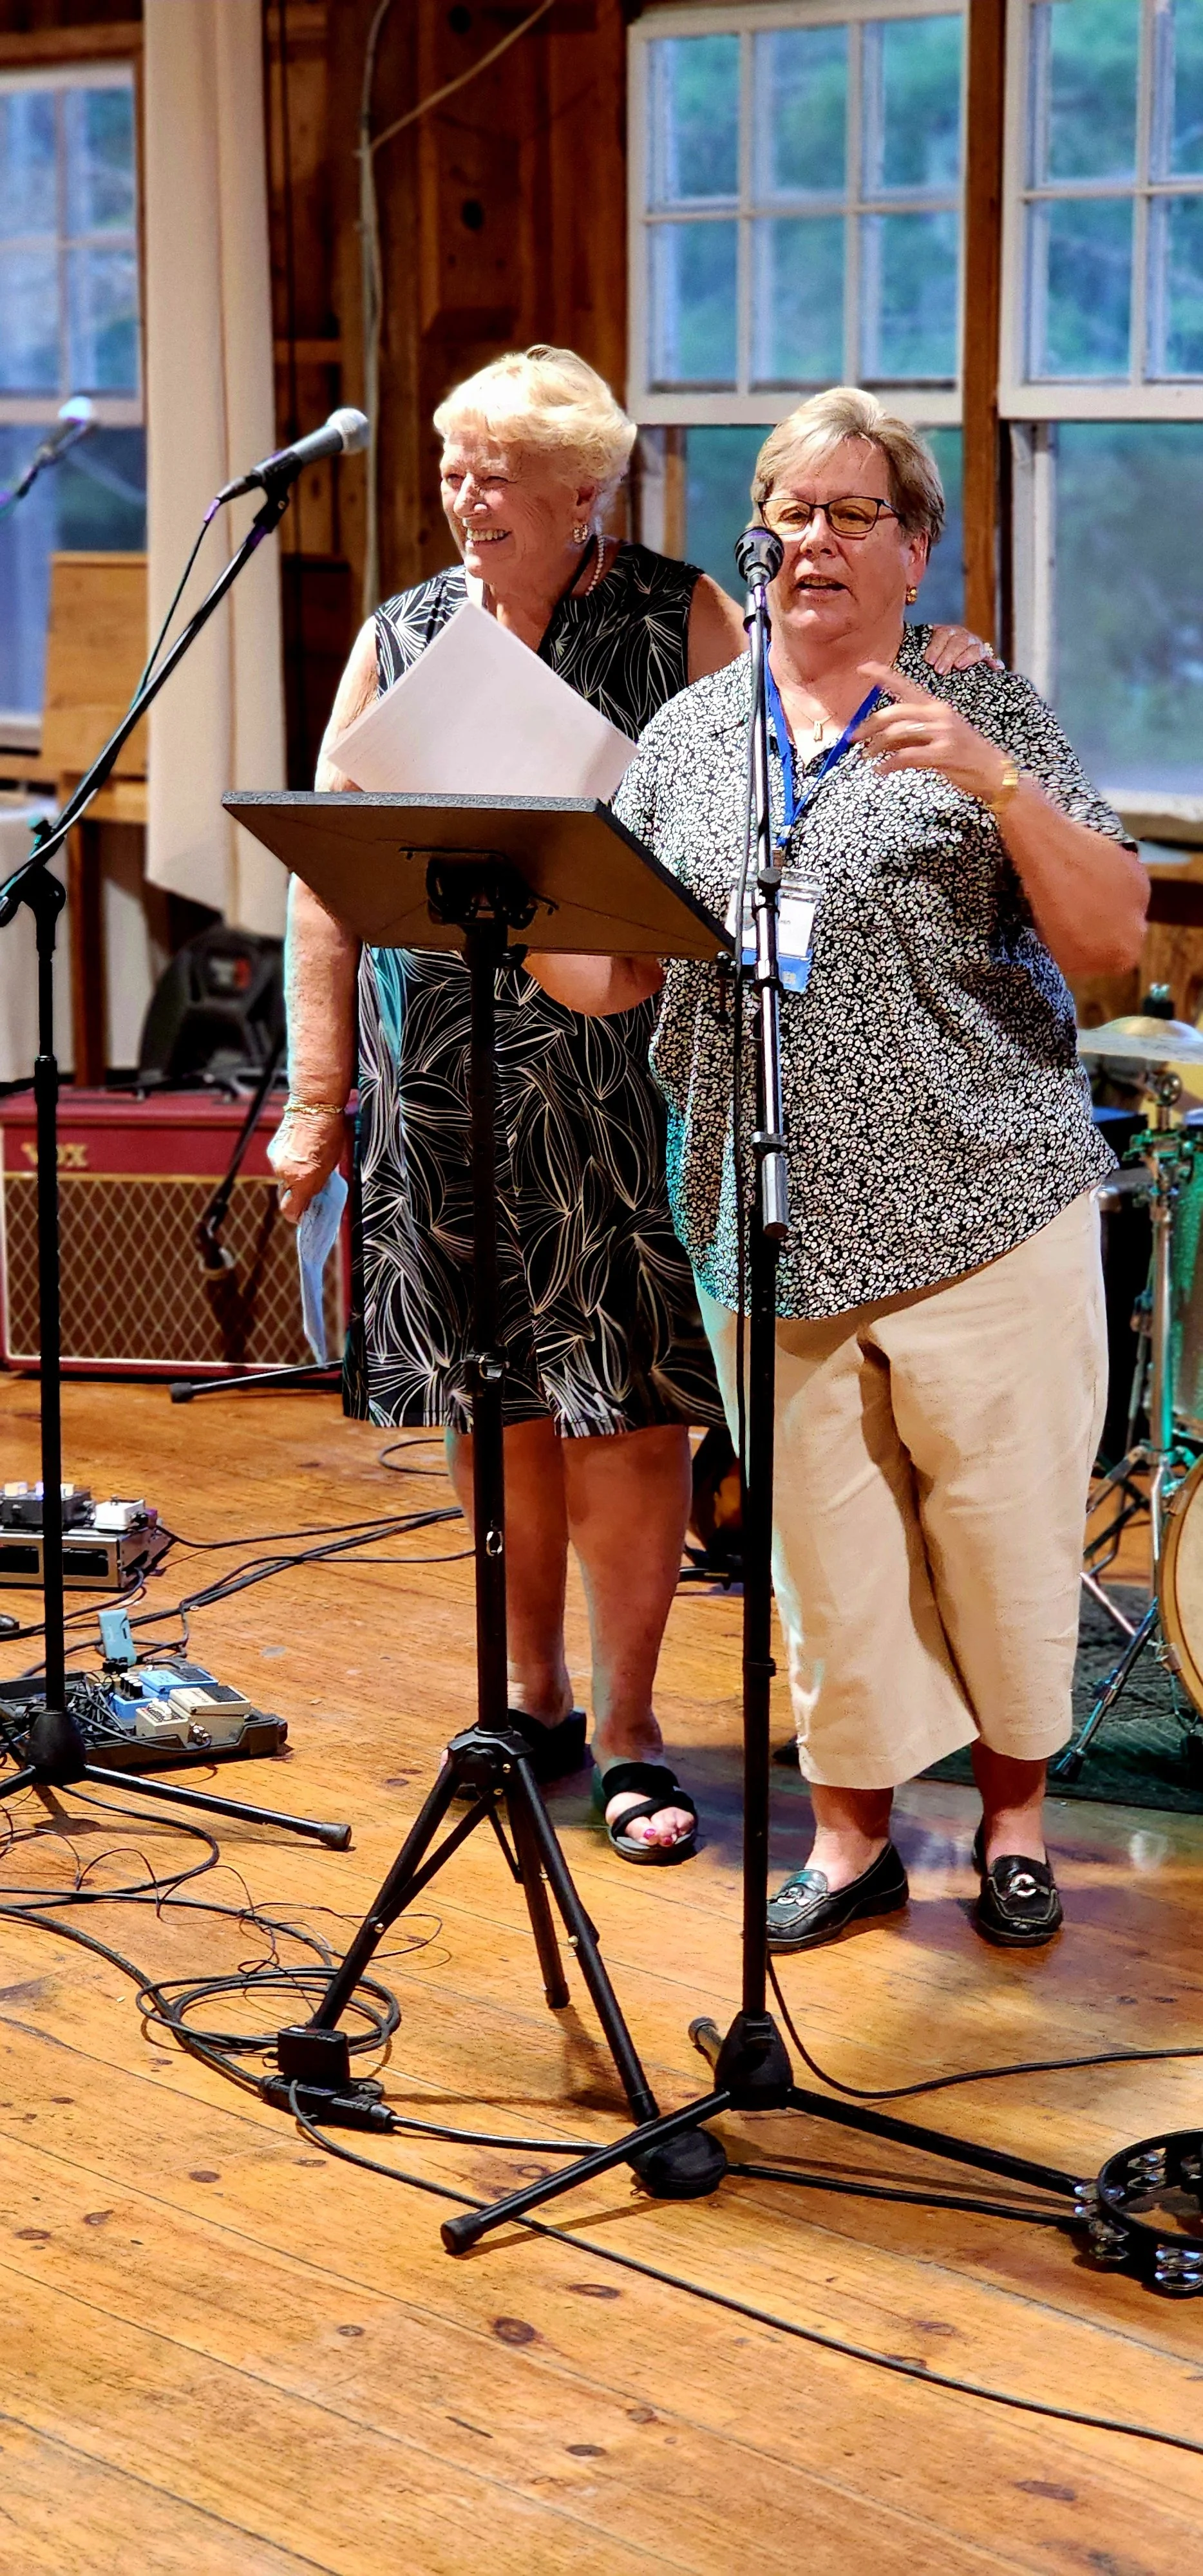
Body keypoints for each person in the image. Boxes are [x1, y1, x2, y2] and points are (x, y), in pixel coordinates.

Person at [270, 350, 996, 1868]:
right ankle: (524, 1696)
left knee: (623, 1402)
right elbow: (323, 873)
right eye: (453, 466)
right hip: (444, 1075)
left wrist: (932, 678)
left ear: (582, 492)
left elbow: (785, 768)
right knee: (492, 1393)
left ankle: (627, 1724)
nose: (465, 499)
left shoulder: (674, 613)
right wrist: (316, 1091)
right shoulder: (404, 633)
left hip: (612, 1067)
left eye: (496, 476)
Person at [531, 384, 1148, 1946]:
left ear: (914, 548)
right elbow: (617, 979)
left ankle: (1013, 1822)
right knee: (829, 1570)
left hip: (981, 1205)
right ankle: (854, 1836)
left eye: (851, 513)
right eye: (790, 511)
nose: (812, 540)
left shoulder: (978, 708)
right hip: (765, 1223)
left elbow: (1113, 948)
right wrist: (516, 893)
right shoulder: (686, 736)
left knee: (1000, 1543)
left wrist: (993, 787)